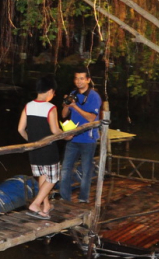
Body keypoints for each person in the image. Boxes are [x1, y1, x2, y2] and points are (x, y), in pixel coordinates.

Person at [18, 75, 63, 220]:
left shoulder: (28, 106)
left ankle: (46, 206)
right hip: (48, 150)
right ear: (50, 91)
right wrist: (67, 135)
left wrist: (31, 141)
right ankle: (36, 204)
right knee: (53, 178)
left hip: (34, 151)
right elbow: (55, 130)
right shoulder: (51, 108)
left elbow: (20, 129)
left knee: (43, 176)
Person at [60, 66, 102, 203]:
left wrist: (75, 107)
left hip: (88, 139)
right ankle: (65, 198)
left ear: (88, 80)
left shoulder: (94, 96)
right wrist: (66, 104)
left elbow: (91, 118)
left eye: (82, 79)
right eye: (76, 78)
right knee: (65, 169)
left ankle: (83, 198)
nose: (79, 82)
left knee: (86, 170)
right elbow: (63, 115)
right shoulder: (73, 93)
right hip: (72, 137)